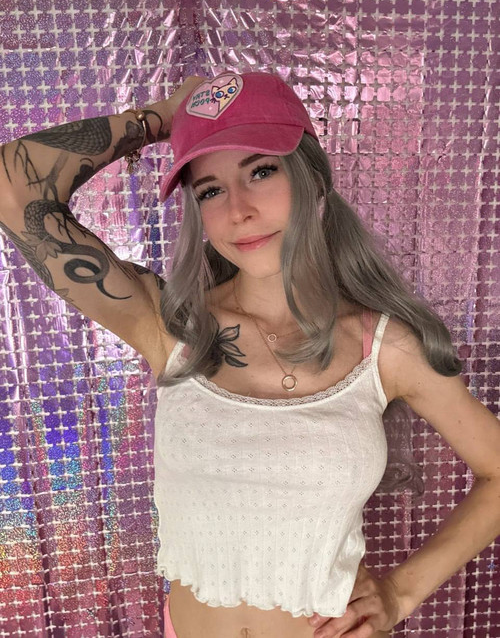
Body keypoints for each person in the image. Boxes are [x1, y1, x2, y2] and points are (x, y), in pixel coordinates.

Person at [1, 70, 499, 638]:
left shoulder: (386, 347)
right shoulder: (171, 326)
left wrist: (401, 592)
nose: (238, 209)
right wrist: (162, 120)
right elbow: (12, 187)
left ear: (312, 178)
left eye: (261, 172)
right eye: (210, 190)